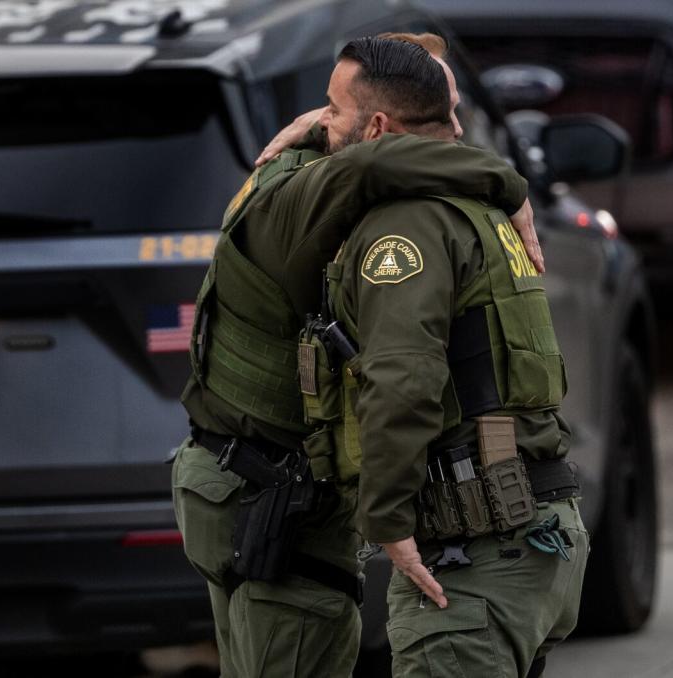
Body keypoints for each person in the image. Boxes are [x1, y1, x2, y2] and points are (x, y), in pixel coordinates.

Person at [171, 36, 542, 678]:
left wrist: (321, 120)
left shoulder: (301, 166)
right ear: (379, 127)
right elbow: (374, 168)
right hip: (270, 501)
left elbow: (372, 153)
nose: (453, 132)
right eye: (443, 117)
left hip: (245, 479)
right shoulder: (305, 196)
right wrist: (507, 184)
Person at [312, 37, 591, 678]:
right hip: (535, 532)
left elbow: (403, 378)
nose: (321, 124)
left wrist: (385, 519)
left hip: (475, 554)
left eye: (332, 109)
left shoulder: (404, 226)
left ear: (378, 126)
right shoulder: (483, 205)